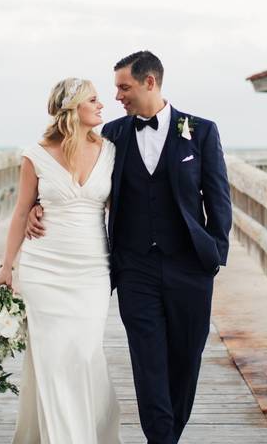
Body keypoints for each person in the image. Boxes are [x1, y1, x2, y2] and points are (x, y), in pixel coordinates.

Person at [27, 51, 231, 444]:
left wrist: (215, 254)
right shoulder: (112, 136)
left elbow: (218, 198)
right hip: (134, 268)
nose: (117, 96)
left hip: (190, 267)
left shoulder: (201, 132)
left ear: (150, 82)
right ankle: (160, 439)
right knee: (148, 362)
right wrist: (40, 203)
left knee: (186, 362)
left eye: (124, 87)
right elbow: (70, 172)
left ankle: (169, 434)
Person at [0, 77, 121, 444]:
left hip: (92, 268)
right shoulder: (35, 154)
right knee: (52, 359)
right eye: (93, 100)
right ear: (73, 107)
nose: (101, 105)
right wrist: (6, 267)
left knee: (84, 353)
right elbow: (20, 212)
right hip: (43, 267)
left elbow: (121, 207)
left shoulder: (109, 150)